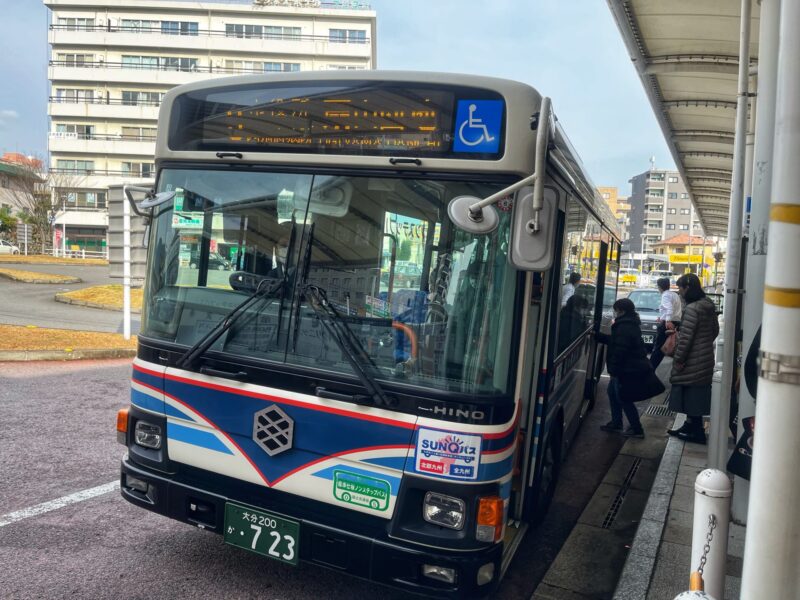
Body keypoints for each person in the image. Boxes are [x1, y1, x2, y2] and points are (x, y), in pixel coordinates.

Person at [596, 298, 665, 438]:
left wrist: (613, 370)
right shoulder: (629, 323)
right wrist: (600, 337)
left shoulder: (624, 326)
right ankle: (616, 423)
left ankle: (636, 429)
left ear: (621, 311)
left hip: (626, 369)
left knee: (623, 398)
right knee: (613, 393)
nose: (615, 313)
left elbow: (620, 349)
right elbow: (617, 341)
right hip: (627, 367)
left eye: (616, 310)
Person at [667, 273, 720, 444]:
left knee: (690, 394)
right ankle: (690, 426)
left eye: (680, 288)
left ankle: (695, 431)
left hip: (691, 358)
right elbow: (715, 331)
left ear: (688, 288)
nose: (679, 292)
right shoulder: (708, 305)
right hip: (704, 356)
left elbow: (686, 338)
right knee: (696, 394)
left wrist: (679, 359)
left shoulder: (692, 309)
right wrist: (703, 344)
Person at [650, 277, 683, 368]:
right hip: (676, 322)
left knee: (658, 348)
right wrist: (662, 317)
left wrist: (667, 320)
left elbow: (669, 308)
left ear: (659, 287)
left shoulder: (665, 295)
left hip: (668, 323)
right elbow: (673, 309)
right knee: (668, 346)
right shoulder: (675, 294)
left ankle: (650, 368)